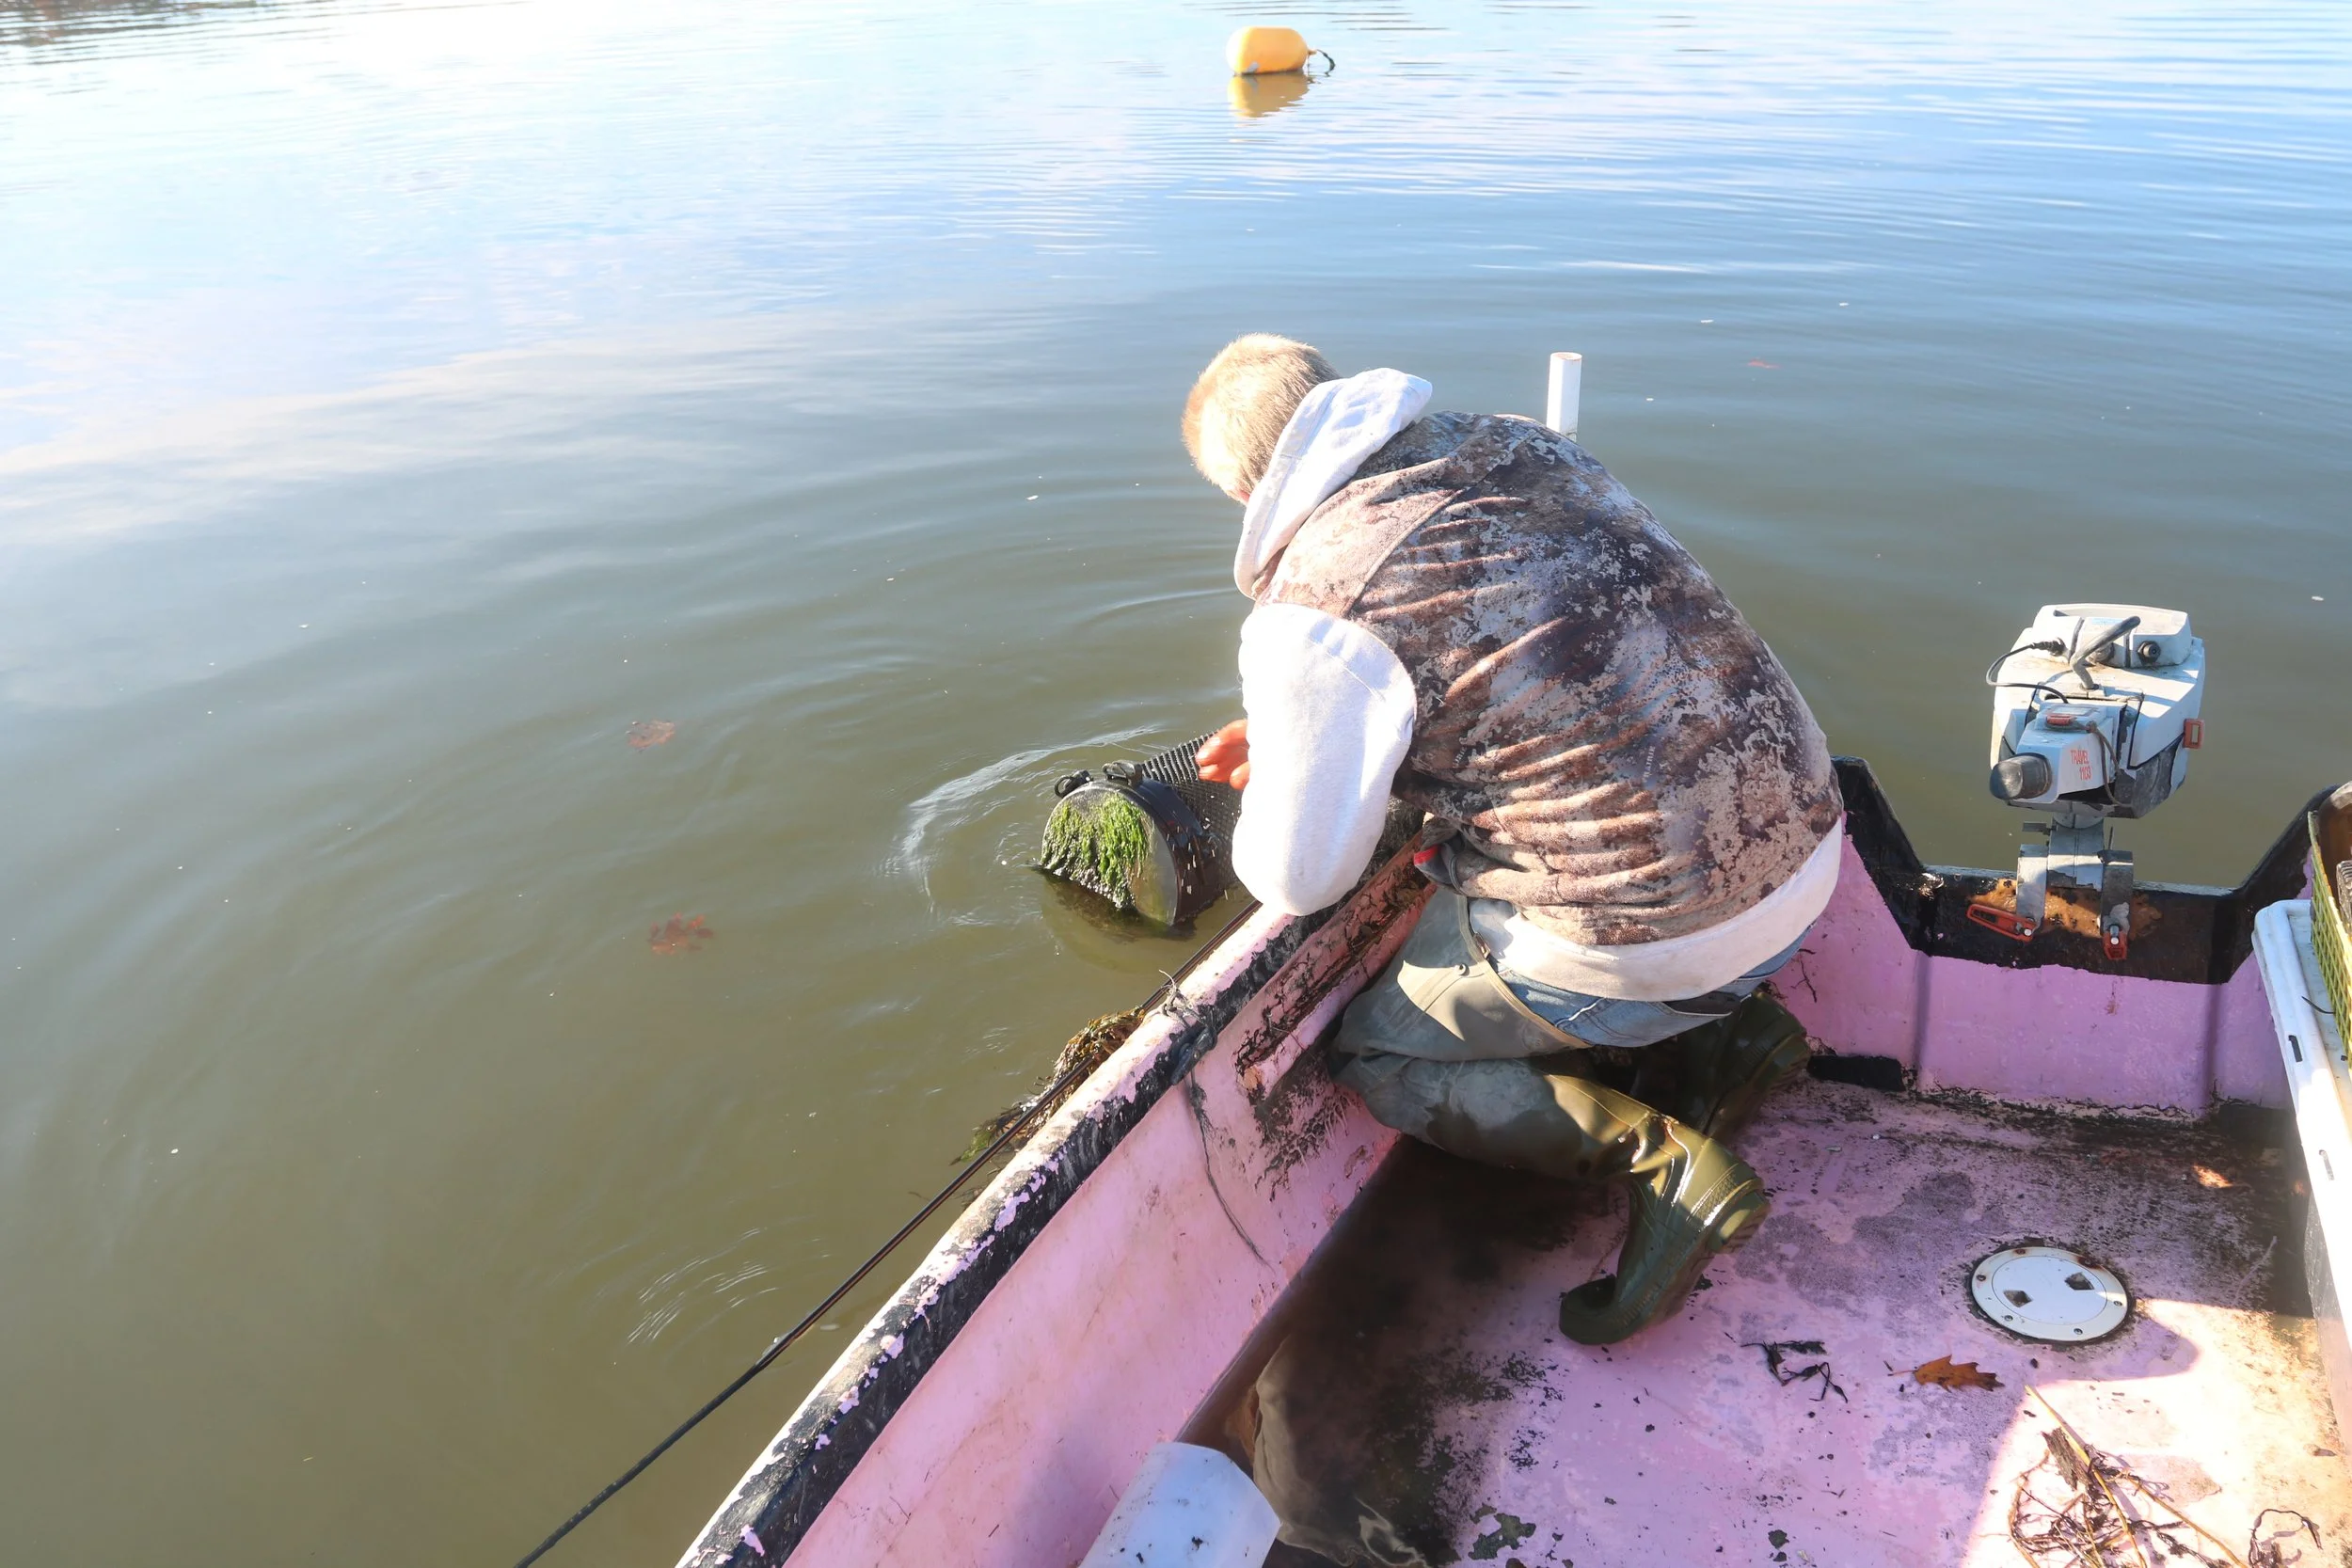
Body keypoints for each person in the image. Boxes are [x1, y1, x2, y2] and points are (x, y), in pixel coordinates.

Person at [1184, 333, 1843, 1344]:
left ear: (1243, 489)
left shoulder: (1313, 600)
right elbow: (1534, 672)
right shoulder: (1529, 447)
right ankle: (1738, 1037)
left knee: (1381, 1058)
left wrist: (1283, 773)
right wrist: (1311, 736)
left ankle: (1665, 1168)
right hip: (1806, 854)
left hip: (1660, 936)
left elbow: (1299, 877)